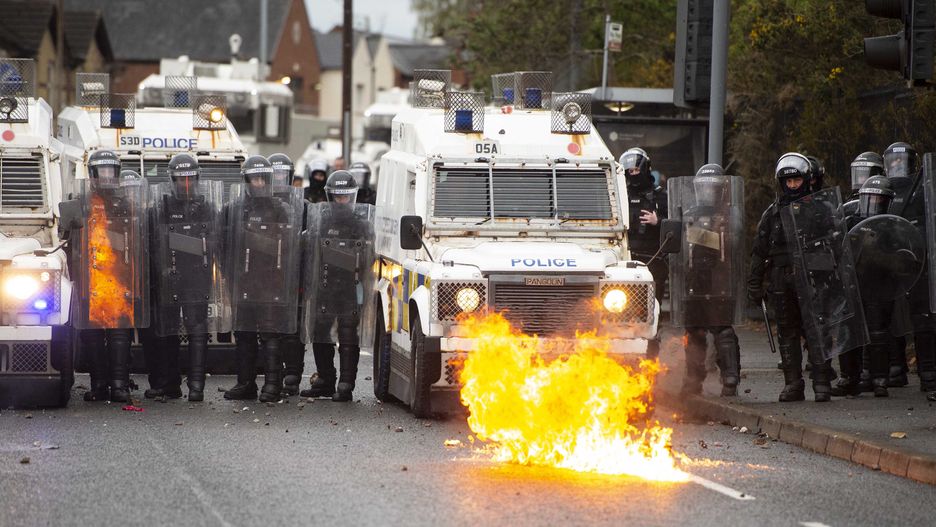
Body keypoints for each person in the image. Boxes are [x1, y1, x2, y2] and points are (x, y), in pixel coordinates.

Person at [749, 152, 836, 402]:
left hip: (812, 279)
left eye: (797, 180)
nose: (792, 185)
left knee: (817, 330)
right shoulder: (772, 214)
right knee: (787, 332)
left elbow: (836, 244)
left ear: (806, 179)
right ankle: (793, 385)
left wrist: (831, 276)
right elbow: (759, 251)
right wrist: (754, 284)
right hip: (781, 280)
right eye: (788, 182)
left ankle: (821, 383)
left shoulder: (822, 210)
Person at [145, 154, 225, 402]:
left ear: (197, 178)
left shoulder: (207, 207)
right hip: (168, 274)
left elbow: (216, 241)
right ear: (173, 179)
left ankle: (196, 386)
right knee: (166, 331)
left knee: (197, 330)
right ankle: (168, 384)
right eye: (181, 179)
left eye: (190, 178)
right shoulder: (161, 207)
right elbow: (152, 243)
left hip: (197, 276)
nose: (186, 184)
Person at [69, 150, 148, 403]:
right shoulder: (80, 201)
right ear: (92, 174)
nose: (105, 177)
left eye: (110, 171)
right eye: (101, 171)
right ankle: (99, 385)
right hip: (90, 279)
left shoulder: (127, 203)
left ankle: (119, 385)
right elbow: (68, 237)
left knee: (119, 335)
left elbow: (137, 240)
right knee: (92, 336)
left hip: (119, 278)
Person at [223, 156, 303, 402]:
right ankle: (246, 383)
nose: (257, 183)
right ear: (246, 181)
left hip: (272, 281)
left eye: (261, 178)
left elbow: (291, 247)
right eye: (253, 178)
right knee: (244, 334)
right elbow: (224, 245)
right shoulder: (235, 208)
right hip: (244, 281)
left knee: (271, 334)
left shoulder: (282, 209)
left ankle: (272, 385)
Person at [301, 170, 375, 402]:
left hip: (351, 286)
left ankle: (346, 383)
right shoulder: (321, 220)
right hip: (325, 285)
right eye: (338, 196)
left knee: (347, 332)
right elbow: (309, 249)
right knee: (319, 331)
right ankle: (325, 379)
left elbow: (369, 256)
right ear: (330, 197)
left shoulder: (361, 223)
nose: (342, 201)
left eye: (346, 196)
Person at [672, 164, 742, 397]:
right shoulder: (690, 214)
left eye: (713, 188)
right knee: (694, 330)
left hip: (720, 280)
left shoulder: (731, 214)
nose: (708, 192)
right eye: (704, 188)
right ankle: (693, 378)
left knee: (722, 329)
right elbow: (681, 248)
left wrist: (707, 232)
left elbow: (735, 244)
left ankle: (730, 377)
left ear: (722, 189)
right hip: (693, 281)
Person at [884, 142, 936, 399]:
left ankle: (928, 373)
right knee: (889, 317)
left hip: (918, 261)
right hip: (890, 264)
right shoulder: (882, 190)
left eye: (901, 161)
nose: (897, 166)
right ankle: (893, 368)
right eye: (892, 162)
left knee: (923, 318)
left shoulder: (921, 191)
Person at [619, 147, 667, 358]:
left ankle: (651, 358)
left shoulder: (661, 196)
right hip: (625, 261)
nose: (634, 175)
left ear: (645, 169)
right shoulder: (619, 194)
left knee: (651, 312)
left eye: (637, 171)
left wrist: (659, 222)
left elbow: (679, 225)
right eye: (630, 172)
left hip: (653, 261)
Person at [269, 153, 306, 397]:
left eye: (284, 175)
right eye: (276, 175)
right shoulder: (260, 204)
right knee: (272, 329)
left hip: (295, 275)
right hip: (267, 274)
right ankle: (274, 373)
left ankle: (293, 373)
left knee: (294, 329)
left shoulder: (303, 206)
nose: (280, 180)